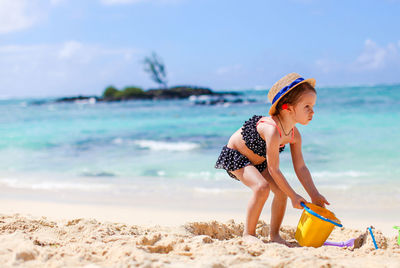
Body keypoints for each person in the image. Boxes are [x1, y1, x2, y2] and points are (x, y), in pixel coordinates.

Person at [215, 73, 330, 244]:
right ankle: (249, 234)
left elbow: (301, 168)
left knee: (280, 193)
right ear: (288, 108)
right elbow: (274, 169)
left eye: (313, 106)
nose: (312, 111)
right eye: (307, 106)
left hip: (258, 161)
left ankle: (274, 235)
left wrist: (314, 194)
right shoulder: (271, 130)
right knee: (262, 188)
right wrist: (294, 195)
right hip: (236, 155)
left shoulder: (294, 135)